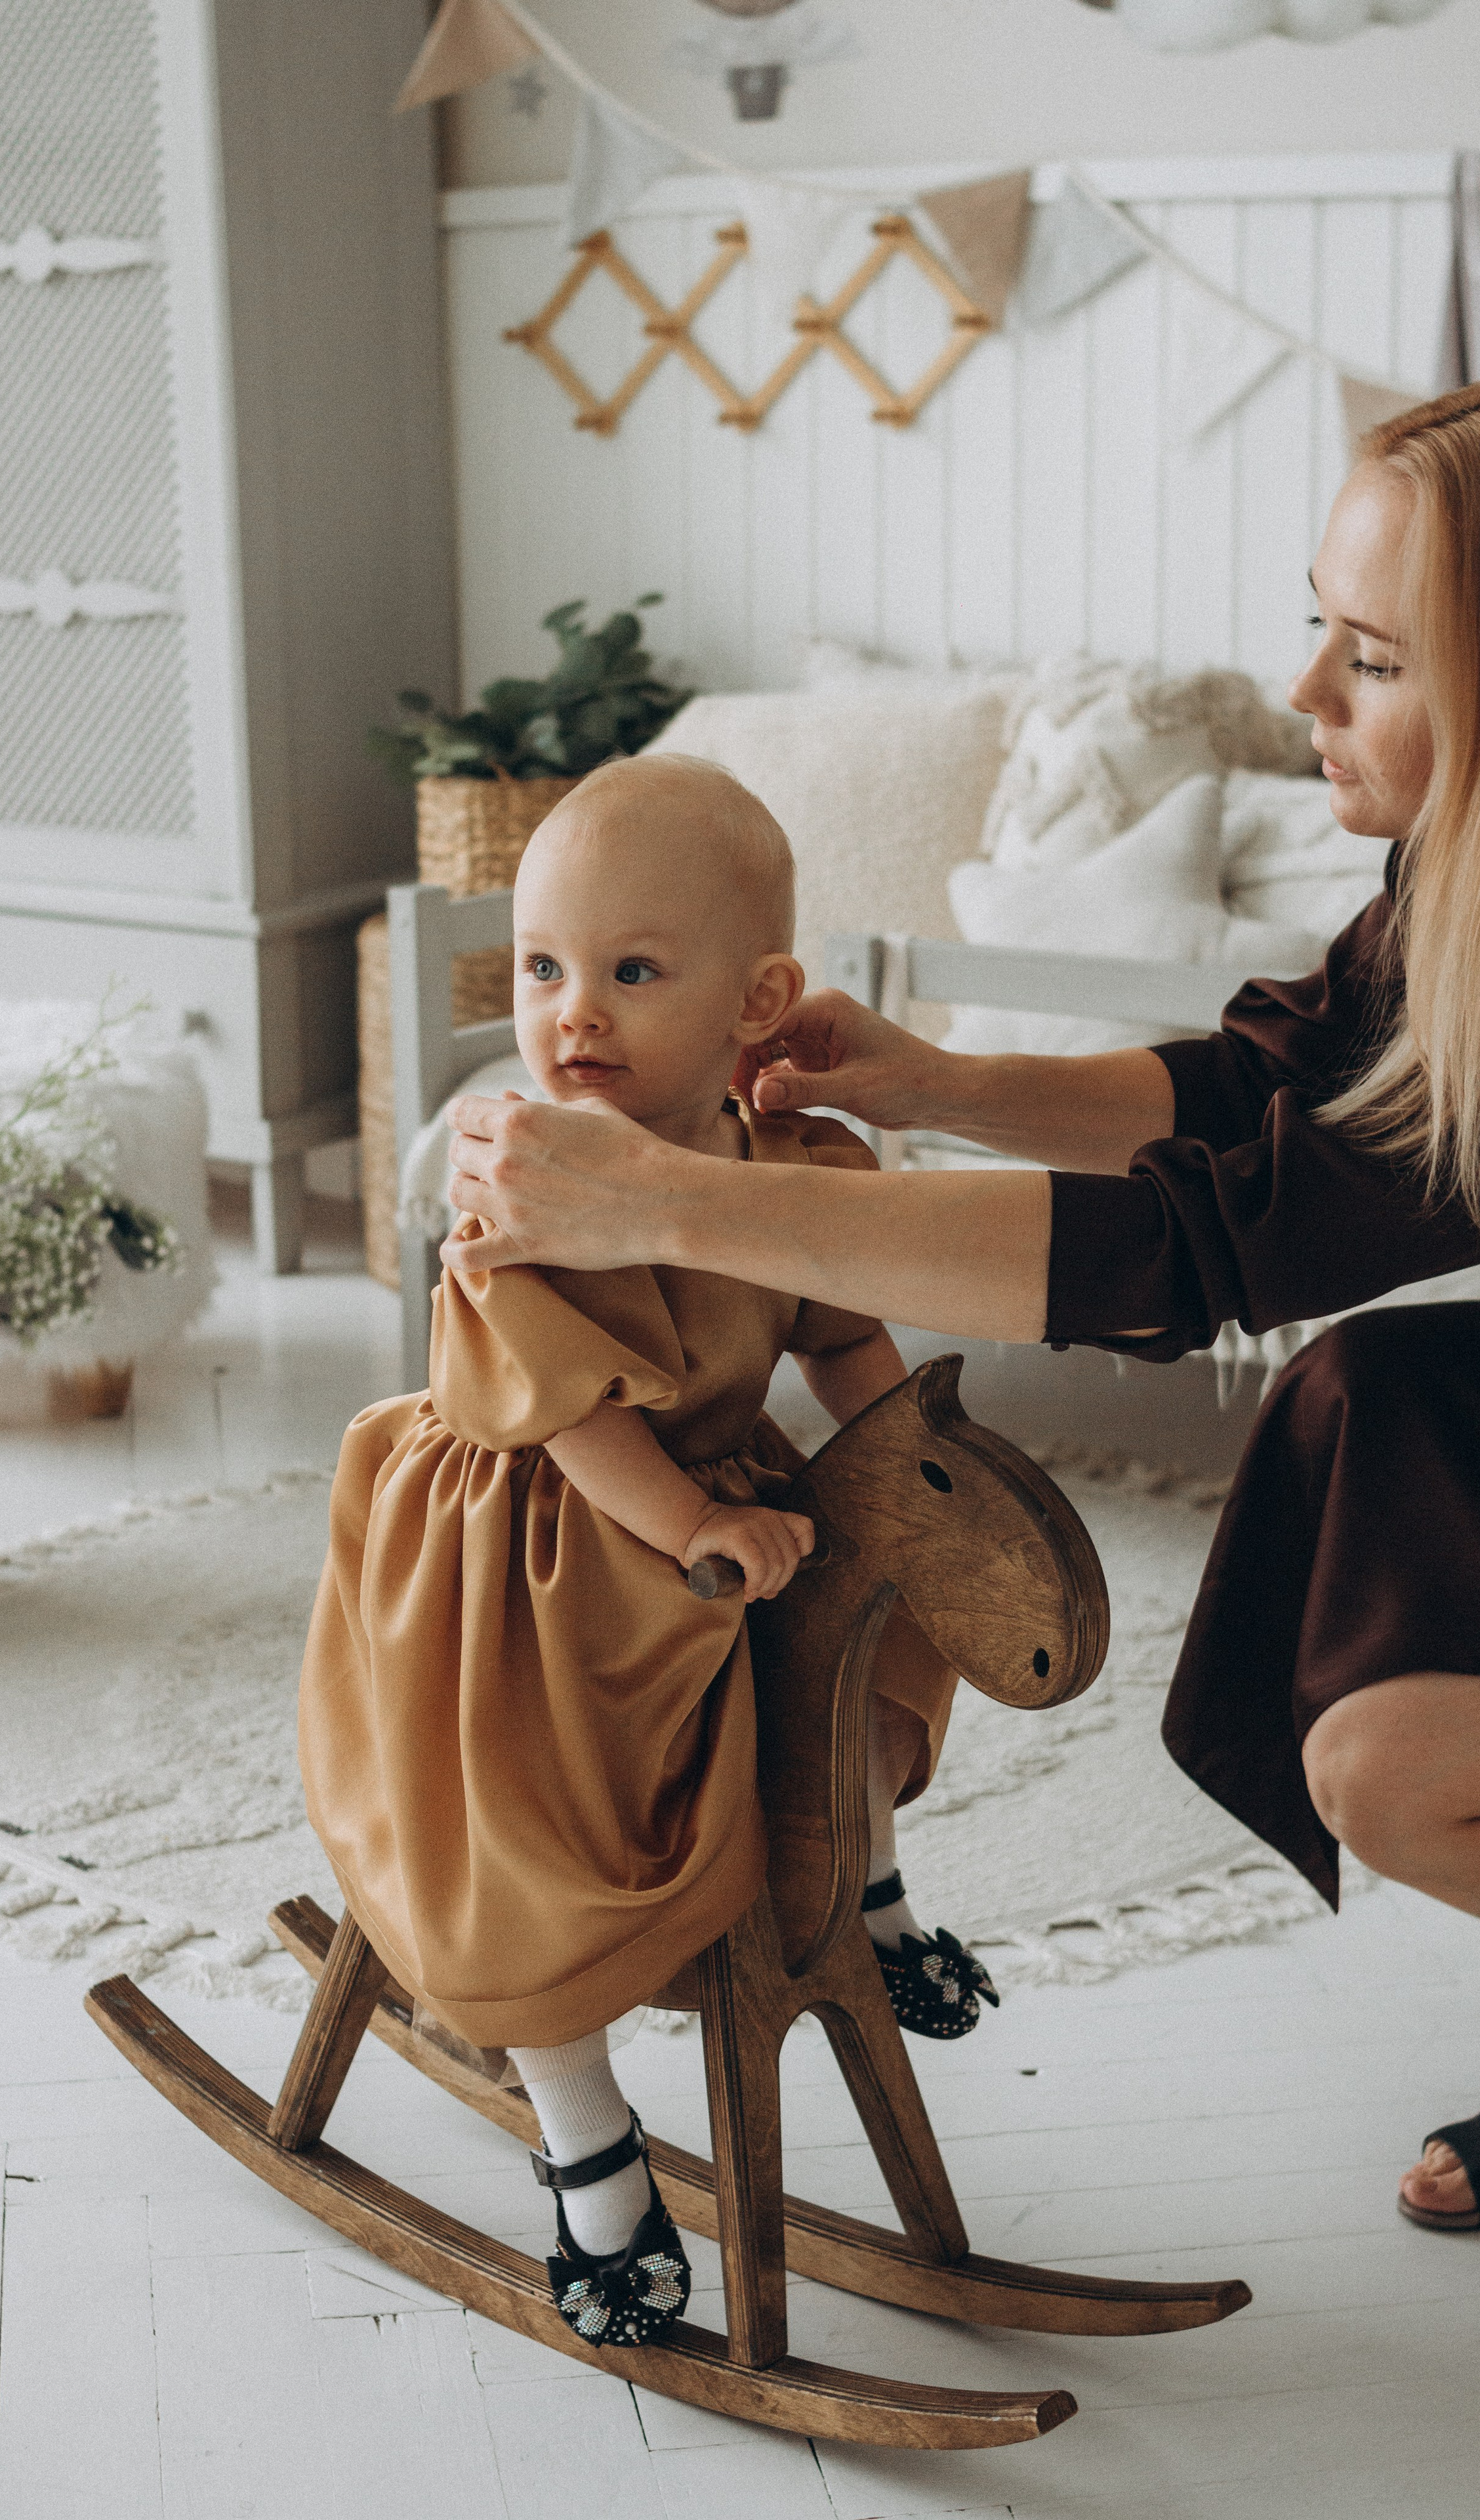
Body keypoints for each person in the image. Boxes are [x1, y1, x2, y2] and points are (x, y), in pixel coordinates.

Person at [447, 375, 1480, 2240]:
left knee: (1396, 1772)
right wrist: (933, 1084)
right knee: (1395, 1405)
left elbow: (1208, 1252)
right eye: (1318, 626)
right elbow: (1273, 1083)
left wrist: (681, 1195)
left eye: (1376, 661)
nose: (1308, 695)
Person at [299, 754, 991, 2352]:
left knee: (884, 1620)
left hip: (711, 1501)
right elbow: (567, 1415)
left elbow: (844, 1339)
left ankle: (865, 1892)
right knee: (542, 1812)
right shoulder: (519, 1184)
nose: (572, 1014)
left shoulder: (786, 1160)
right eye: (542, 969)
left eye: (630, 971)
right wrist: (693, 1522)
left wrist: (909, 1465)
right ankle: (586, 2143)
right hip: (537, 1538)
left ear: (758, 1001)